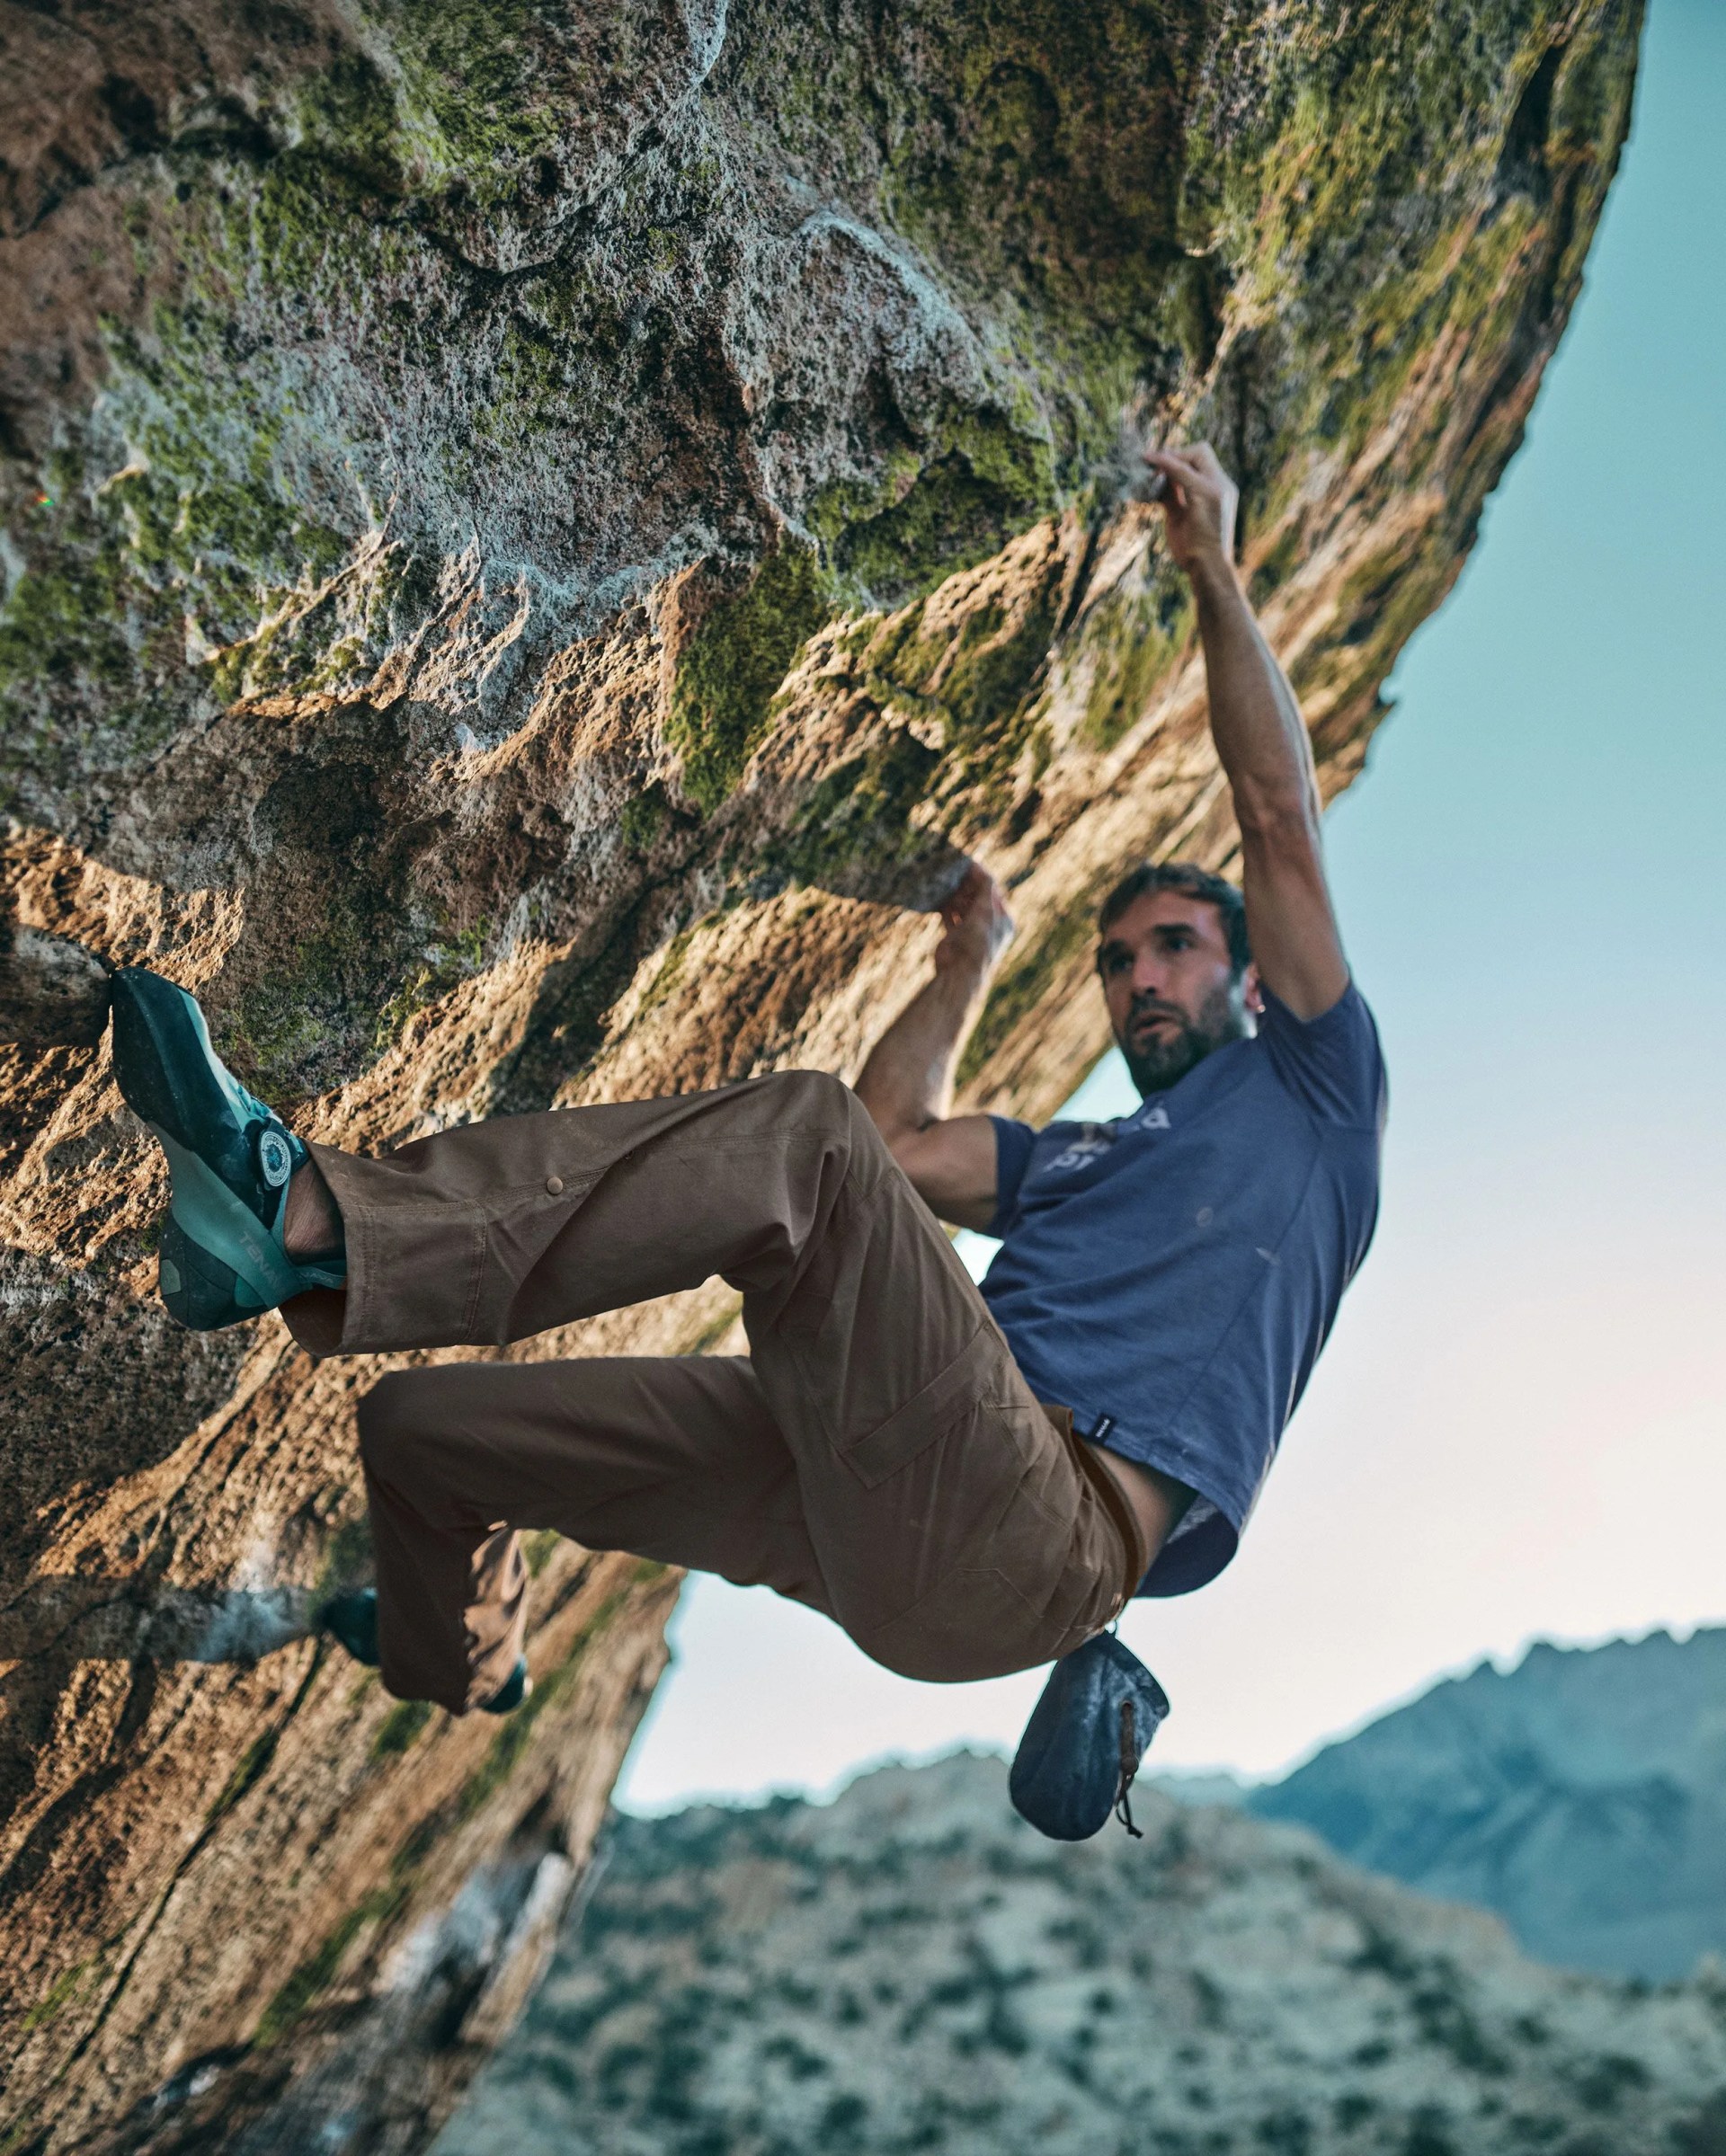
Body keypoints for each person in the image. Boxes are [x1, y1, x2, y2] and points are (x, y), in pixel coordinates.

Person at [108, 443, 1383, 1722]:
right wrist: (968, 961)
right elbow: (895, 1144)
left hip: (1037, 1529)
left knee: (805, 1139)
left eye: (1175, 946)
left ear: (1252, 975)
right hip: (874, 1497)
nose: (1139, 977)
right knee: (425, 1438)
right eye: (1115, 960)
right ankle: (462, 1654)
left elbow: (1275, 817)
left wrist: (1211, 564)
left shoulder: (1317, 1094)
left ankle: (312, 1226)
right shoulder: (1082, 1160)